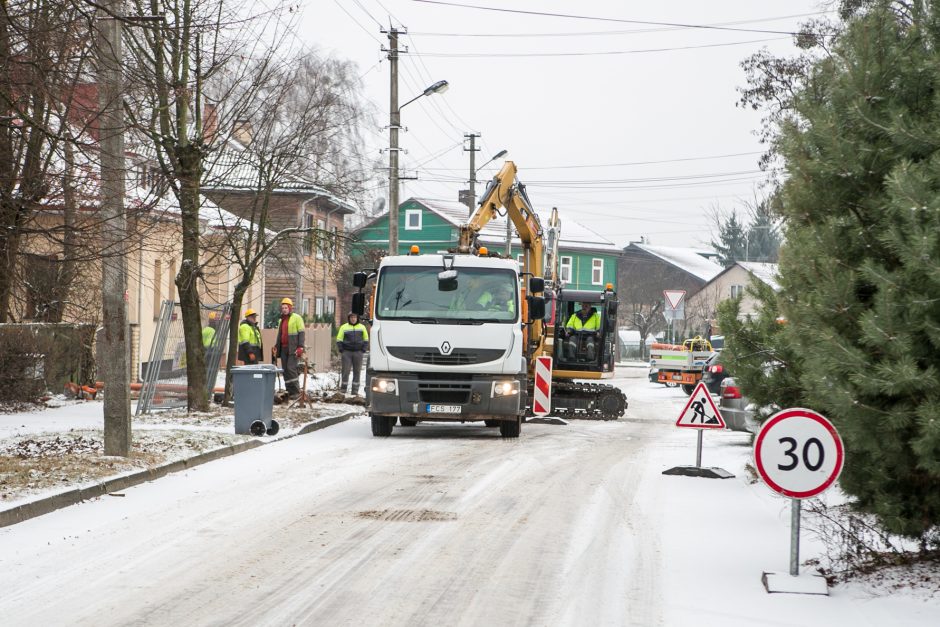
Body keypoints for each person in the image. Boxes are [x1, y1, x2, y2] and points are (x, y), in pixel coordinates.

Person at [274, 297, 305, 399]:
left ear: (290, 308)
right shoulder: (281, 320)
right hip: (283, 348)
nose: (284, 309)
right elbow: (280, 335)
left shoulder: (297, 318)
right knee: (285, 370)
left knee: (291, 369)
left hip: (293, 348)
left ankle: (296, 391)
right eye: (282, 308)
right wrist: (276, 347)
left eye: (286, 308)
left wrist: (300, 347)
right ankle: (289, 391)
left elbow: (301, 333)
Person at [336, 312, 369, 395]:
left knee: (357, 371)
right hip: (347, 352)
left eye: (354, 317)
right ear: (349, 318)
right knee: (345, 371)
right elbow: (339, 339)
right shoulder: (344, 327)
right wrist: (341, 350)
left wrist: (363, 350)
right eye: (351, 317)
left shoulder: (362, 327)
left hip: (358, 352)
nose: (353, 319)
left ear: (357, 318)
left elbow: (366, 339)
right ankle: (343, 389)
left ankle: (355, 391)